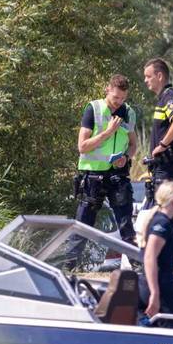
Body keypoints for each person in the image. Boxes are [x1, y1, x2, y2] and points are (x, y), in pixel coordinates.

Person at [75, 74, 137, 245]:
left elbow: (133, 145)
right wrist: (108, 132)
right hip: (93, 175)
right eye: (116, 97)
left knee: (126, 227)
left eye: (123, 98)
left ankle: (139, 268)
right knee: (82, 226)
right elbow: (82, 146)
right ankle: (67, 266)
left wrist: (126, 157)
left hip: (118, 175)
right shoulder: (93, 109)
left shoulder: (129, 113)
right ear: (107, 90)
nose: (119, 102)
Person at [136, 182, 173, 329]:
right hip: (160, 289)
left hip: (158, 285)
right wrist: (155, 294)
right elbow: (150, 258)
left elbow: (161, 261)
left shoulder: (159, 220)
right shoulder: (161, 224)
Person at [142, 58, 173, 209]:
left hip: (166, 165)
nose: (145, 80)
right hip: (165, 164)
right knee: (165, 210)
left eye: (148, 76)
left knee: (164, 210)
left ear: (160, 76)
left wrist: (163, 145)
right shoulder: (167, 96)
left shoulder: (168, 97)